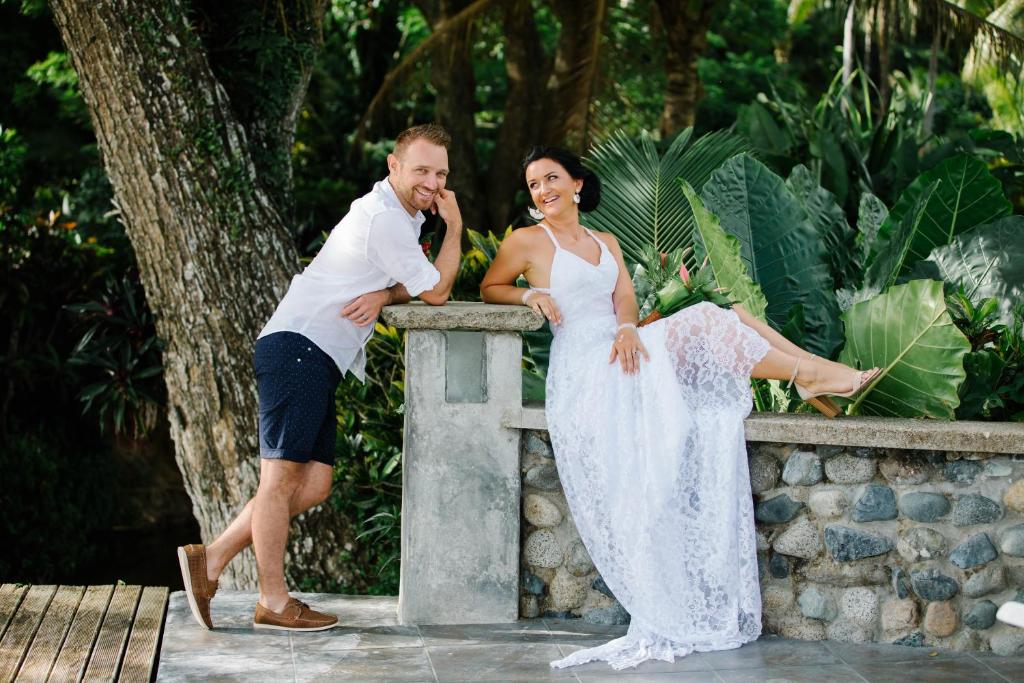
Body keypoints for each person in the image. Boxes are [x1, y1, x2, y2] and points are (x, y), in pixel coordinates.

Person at [480, 146, 880, 669]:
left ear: (577, 183)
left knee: (729, 315)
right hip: (584, 368)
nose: (542, 190)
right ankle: (812, 375)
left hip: (623, 345)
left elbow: (624, 299)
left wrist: (628, 327)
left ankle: (811, 372)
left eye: (551, 178)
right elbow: (490, 286)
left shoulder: (606, 241)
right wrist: (528, 297)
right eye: (534, 184)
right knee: (711, 319)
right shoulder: (527, 241)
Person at [177, 123, 463, 632]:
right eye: (422, 170)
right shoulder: (386, 219)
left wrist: (384, 294)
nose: (433, 182)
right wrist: (455, 226)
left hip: (314, 355)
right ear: (394, 166)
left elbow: (409, 284)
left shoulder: (398, 217)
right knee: (279, 482)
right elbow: (437, 292)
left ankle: (213, 558)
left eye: (440, 174)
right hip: (300, 349)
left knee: (313, 484)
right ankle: (272, 601)